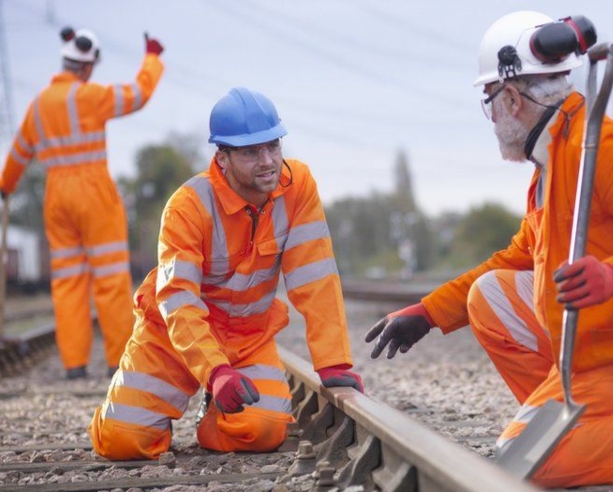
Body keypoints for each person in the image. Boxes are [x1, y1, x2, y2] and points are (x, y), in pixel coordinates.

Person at [366, 11, 613, 492]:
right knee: (488, 296)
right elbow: (512, 261)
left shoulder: (602, 148)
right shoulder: (551, 166)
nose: (492, 119)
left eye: (490, 104)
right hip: (605, 349)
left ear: (511, 98)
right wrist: (427, 313)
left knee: (522, 462)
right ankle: (590, 429)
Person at [89, 87, 363, 460]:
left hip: (247, 338)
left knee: (262, 431)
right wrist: (215, 371)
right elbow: (178, 298)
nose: (267, 161)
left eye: (273, 146)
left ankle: (212, 418)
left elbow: (316, 278)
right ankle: (148, 413)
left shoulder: (297, 187)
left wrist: (333, 362)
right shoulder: (187, 208)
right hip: (173, 338)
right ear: (222, 158)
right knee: (122, 441)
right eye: (251, 152)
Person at [0, 27, 165, 380]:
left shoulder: (38, 106)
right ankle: (118, 360)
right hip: (94, 193)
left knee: (68, 282)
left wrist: (4, 187)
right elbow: (139, 93)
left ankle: (74, 365)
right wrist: (151, 57)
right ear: (87, 67)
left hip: (57, 197)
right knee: (110, 278)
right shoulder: (92, 95)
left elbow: (18, 153)